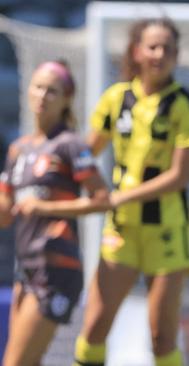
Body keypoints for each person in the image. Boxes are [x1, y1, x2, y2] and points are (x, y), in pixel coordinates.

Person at [73, 18, 189, 366]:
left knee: (162, 337)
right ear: (136, 51)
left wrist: (116, 197)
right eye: (152, 46)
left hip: (167, 232)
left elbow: (179, 176)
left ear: (176, 55)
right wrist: (91, 188)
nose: (159, 54)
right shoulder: (116, 99)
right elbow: (85, 154)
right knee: (95, 327)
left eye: (167, 48)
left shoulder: (186, 106)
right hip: (121, 230)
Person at [0, 60, 110, 366]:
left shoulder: (70, 145)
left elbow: (103, 199)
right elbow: (6, 216)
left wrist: (46, 207)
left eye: (52, 90)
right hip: (25, 269)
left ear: (66, 99)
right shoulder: (18, 149)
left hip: (57, 269)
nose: (42, 95)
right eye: (38, 87)